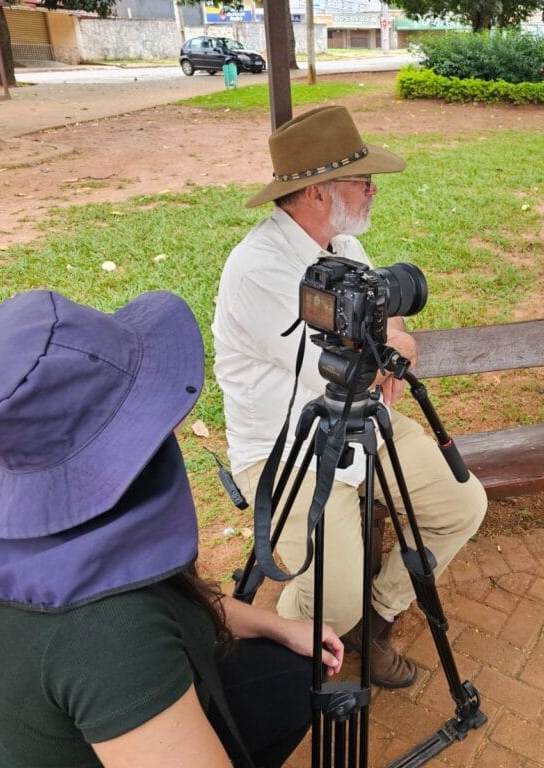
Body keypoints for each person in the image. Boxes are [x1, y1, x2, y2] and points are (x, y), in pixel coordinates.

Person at [0, 290, 344, 767]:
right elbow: (122, 634)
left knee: (289, 680)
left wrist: (277, 627)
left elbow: (170, 596)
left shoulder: (32, 532)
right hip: (113, 678)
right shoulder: (109, 635)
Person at [213, 105, 487, 690]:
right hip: (288, 449)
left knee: (462, 508)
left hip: (365, 426)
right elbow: (339, 369)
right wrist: (386, 348)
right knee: (331, 602)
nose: (372, 191)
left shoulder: (343, 249)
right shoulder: (258, 269)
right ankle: (277, 675)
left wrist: (389, 344)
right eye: (362, 180)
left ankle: (377, 619)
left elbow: (381, 342)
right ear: (314, 191)